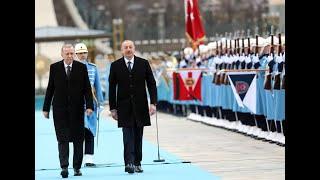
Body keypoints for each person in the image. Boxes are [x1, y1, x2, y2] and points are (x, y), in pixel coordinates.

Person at [42, 44, 93, 178]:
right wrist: (46, 108)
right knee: (62, 139)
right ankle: (64, 167)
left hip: (77, 110)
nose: (70, 56)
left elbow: (87, 88)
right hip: (60, 110)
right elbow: (50, 89)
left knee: (78, 139)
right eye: (67, 54)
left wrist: (89, 106)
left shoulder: (81, 68)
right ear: (62, 54)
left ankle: (77, 167)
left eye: (72, 53)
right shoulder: (55, 68)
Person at [109, 40, 157, 174]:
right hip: (123, 107)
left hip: (141, 105)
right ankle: (129, 162)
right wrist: (113, 108)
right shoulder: (115, 65)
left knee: (138, 135)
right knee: (127, 135)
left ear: (134, 49)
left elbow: (151, 83)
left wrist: (153, 103)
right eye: (126, 47)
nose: (128, 49)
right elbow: (112, 88)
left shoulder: (143, 63)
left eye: (130, 47)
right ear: (122, 50)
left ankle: (138, 162)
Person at [74, 43, 104, 167]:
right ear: (76, 54)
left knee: (90, 130)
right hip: (76, 103)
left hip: (91, 102)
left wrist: (101, 102)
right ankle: (79, 157)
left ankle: (89, 157)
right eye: (80, 53)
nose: (82, 55)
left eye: (84, 53)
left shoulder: (93, 68)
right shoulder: (72, 67)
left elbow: (97, 84)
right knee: (79, 131)